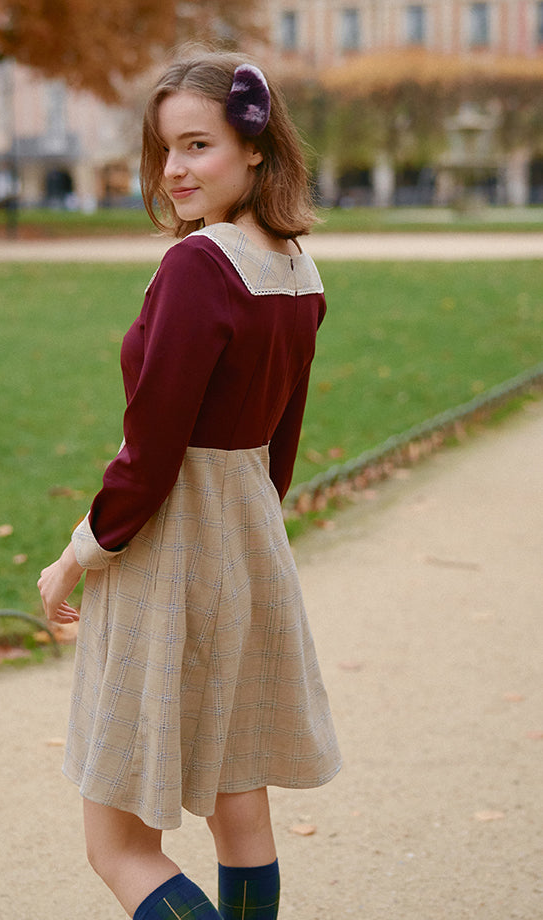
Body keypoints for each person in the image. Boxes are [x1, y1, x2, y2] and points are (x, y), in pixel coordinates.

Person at [38, 50, 341, 920]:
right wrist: (252, 533)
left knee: (119, 845)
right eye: (165, 147)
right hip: (249, 546)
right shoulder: (295, 267)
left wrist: (75, 558)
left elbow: (151, 451)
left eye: (197, 144)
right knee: (240, 803)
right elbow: (280, 446)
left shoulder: (198, 265)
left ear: (254, 148)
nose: (174, 169)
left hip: (168, 551)